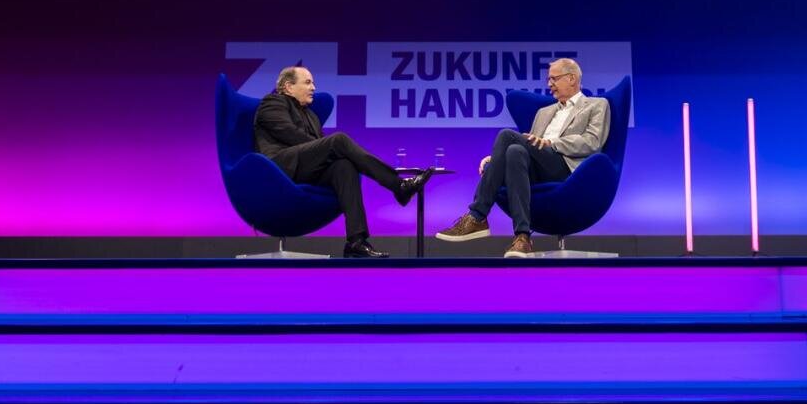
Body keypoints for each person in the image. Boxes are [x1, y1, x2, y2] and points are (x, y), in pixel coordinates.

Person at [434, 58, 610, 258]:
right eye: (548, 79)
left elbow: (593, 141)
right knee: (514, 152)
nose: (549, 84)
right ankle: (522, 237)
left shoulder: (596, 104)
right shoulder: (544, 112)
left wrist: (552, 143)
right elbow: (526, 147)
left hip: (566, 167)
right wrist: (496, 159)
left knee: (506, 134)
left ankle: (477, 215)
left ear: (572, 78)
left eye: (554, 79)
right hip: (538, 167)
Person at [254, 66, 434, 258]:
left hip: (304, 168)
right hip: (279, 169)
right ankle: (398, 185)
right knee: (338, 140)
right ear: (289, 87)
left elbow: (316, 148)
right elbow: (290, 135)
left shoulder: (311, 115)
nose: (313, 87)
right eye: (307, 82)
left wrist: (326, 149)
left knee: (344, 166)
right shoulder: (272, 103)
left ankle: (356, 241)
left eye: (313, 83)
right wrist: (326, 147)